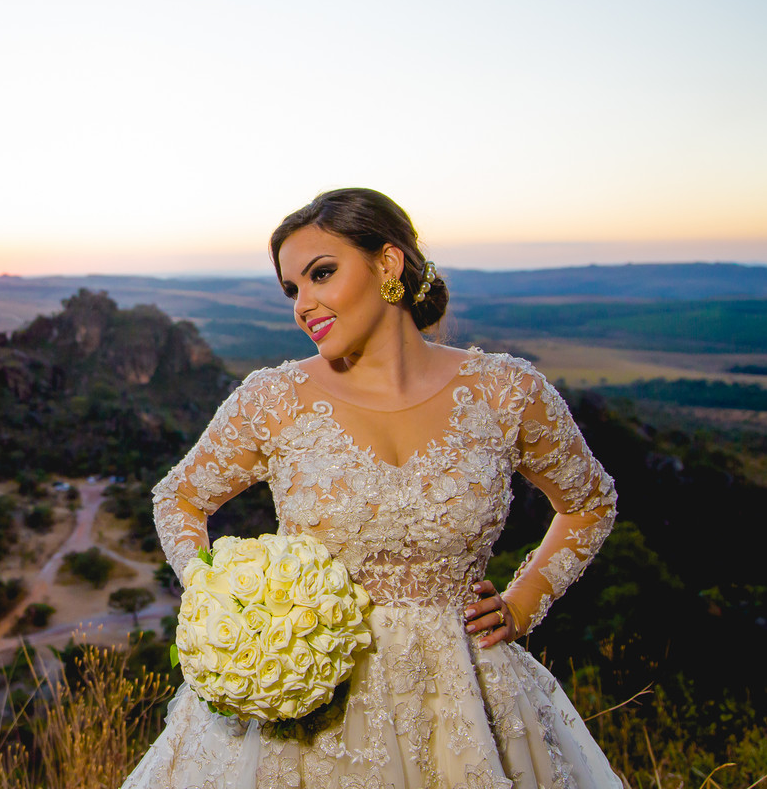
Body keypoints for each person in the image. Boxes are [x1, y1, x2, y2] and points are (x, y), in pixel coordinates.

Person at [121, 188, 621, 789]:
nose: (304, 305)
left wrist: (522, 603)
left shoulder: (507, 393)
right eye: (292, 290)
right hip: (312, 697)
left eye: (321, 274)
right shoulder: (273, 400)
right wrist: (220, 597)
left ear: (388, 264)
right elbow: (177, 497)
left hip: (466, 698)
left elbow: (591, 503)